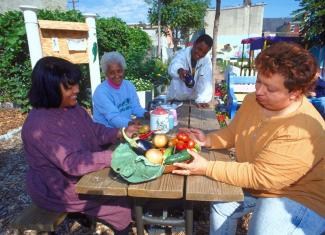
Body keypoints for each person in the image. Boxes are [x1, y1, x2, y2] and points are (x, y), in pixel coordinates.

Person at [172, 42, 325, 234]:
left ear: (294, 93)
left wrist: (206, 167)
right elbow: (234, 132)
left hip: (302, 195)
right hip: (264, 182)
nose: (259, 91)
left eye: (270, 88)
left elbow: (261, 176)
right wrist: (208, 140)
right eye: (259, 81)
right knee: (221, 203)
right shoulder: (253, 100)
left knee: (261, 231)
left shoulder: (304, 129)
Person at [22, 56, 139, 234]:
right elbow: (73, 163)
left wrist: (120, 133)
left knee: (128, 186)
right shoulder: (40, 125)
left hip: (77, 178)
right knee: (121, 203)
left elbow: (93, 130)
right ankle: (123, 228)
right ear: (50, 89)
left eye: (76, 83)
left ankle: (90, 216)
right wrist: (113, 156)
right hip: (57, 189)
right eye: (69, 86)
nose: (77, 89)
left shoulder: (72, 107)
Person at [93, 51, 149, 128]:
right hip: (106, 134)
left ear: (123, 70)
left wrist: (147, 114)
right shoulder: (101, 92)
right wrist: (131, 124)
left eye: (119, 71)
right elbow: (113, 118)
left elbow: (135, 107)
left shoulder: (128, 85)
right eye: (112, 72)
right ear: (106, 74)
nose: (116, 75)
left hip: (125, 130)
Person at [166, 34, 213, 108]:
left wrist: (202, 100)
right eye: (199, 49)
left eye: (204, 52)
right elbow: (174, 65)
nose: (200, 54)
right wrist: (180, 70)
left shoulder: (206, 60)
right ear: (194, 44)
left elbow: (206, 80)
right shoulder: (182, 53)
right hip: (176, 99)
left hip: (193, 101)